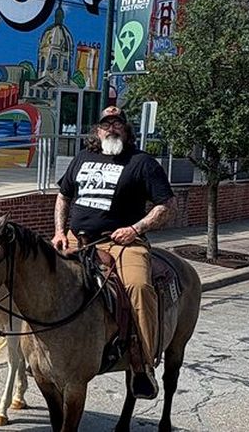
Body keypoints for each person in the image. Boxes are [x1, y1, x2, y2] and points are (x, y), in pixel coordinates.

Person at [52, 105, 176, 400]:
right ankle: (34, 354)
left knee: (139, 286)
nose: (111, 128)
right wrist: (59, 232)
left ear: (126, 129)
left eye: (117, 123)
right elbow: (63, 196)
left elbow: (167, 206)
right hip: (76, 239)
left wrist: (136, 229)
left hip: (121, 243)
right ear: (97, 130)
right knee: (36, 274)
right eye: (106, 124)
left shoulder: (142, 162)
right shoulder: (82, 158)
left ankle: (142, 364)